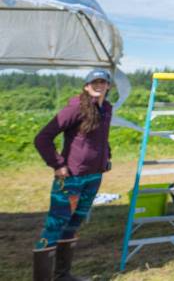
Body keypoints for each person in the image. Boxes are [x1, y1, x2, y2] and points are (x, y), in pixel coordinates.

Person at [33, 69, 114, 281]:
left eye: (102, 82)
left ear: (108, 86)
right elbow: (42, 138)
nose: (98, 85)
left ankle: (63, 276)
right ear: (86, 86)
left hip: (94, 176)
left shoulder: (106, 108)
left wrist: (106, 156)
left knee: (73, 224)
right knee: (55, 225)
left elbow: (101, 137)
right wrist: (57, 164)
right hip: (71, 178)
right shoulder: (76, 107)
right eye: (94, 82)